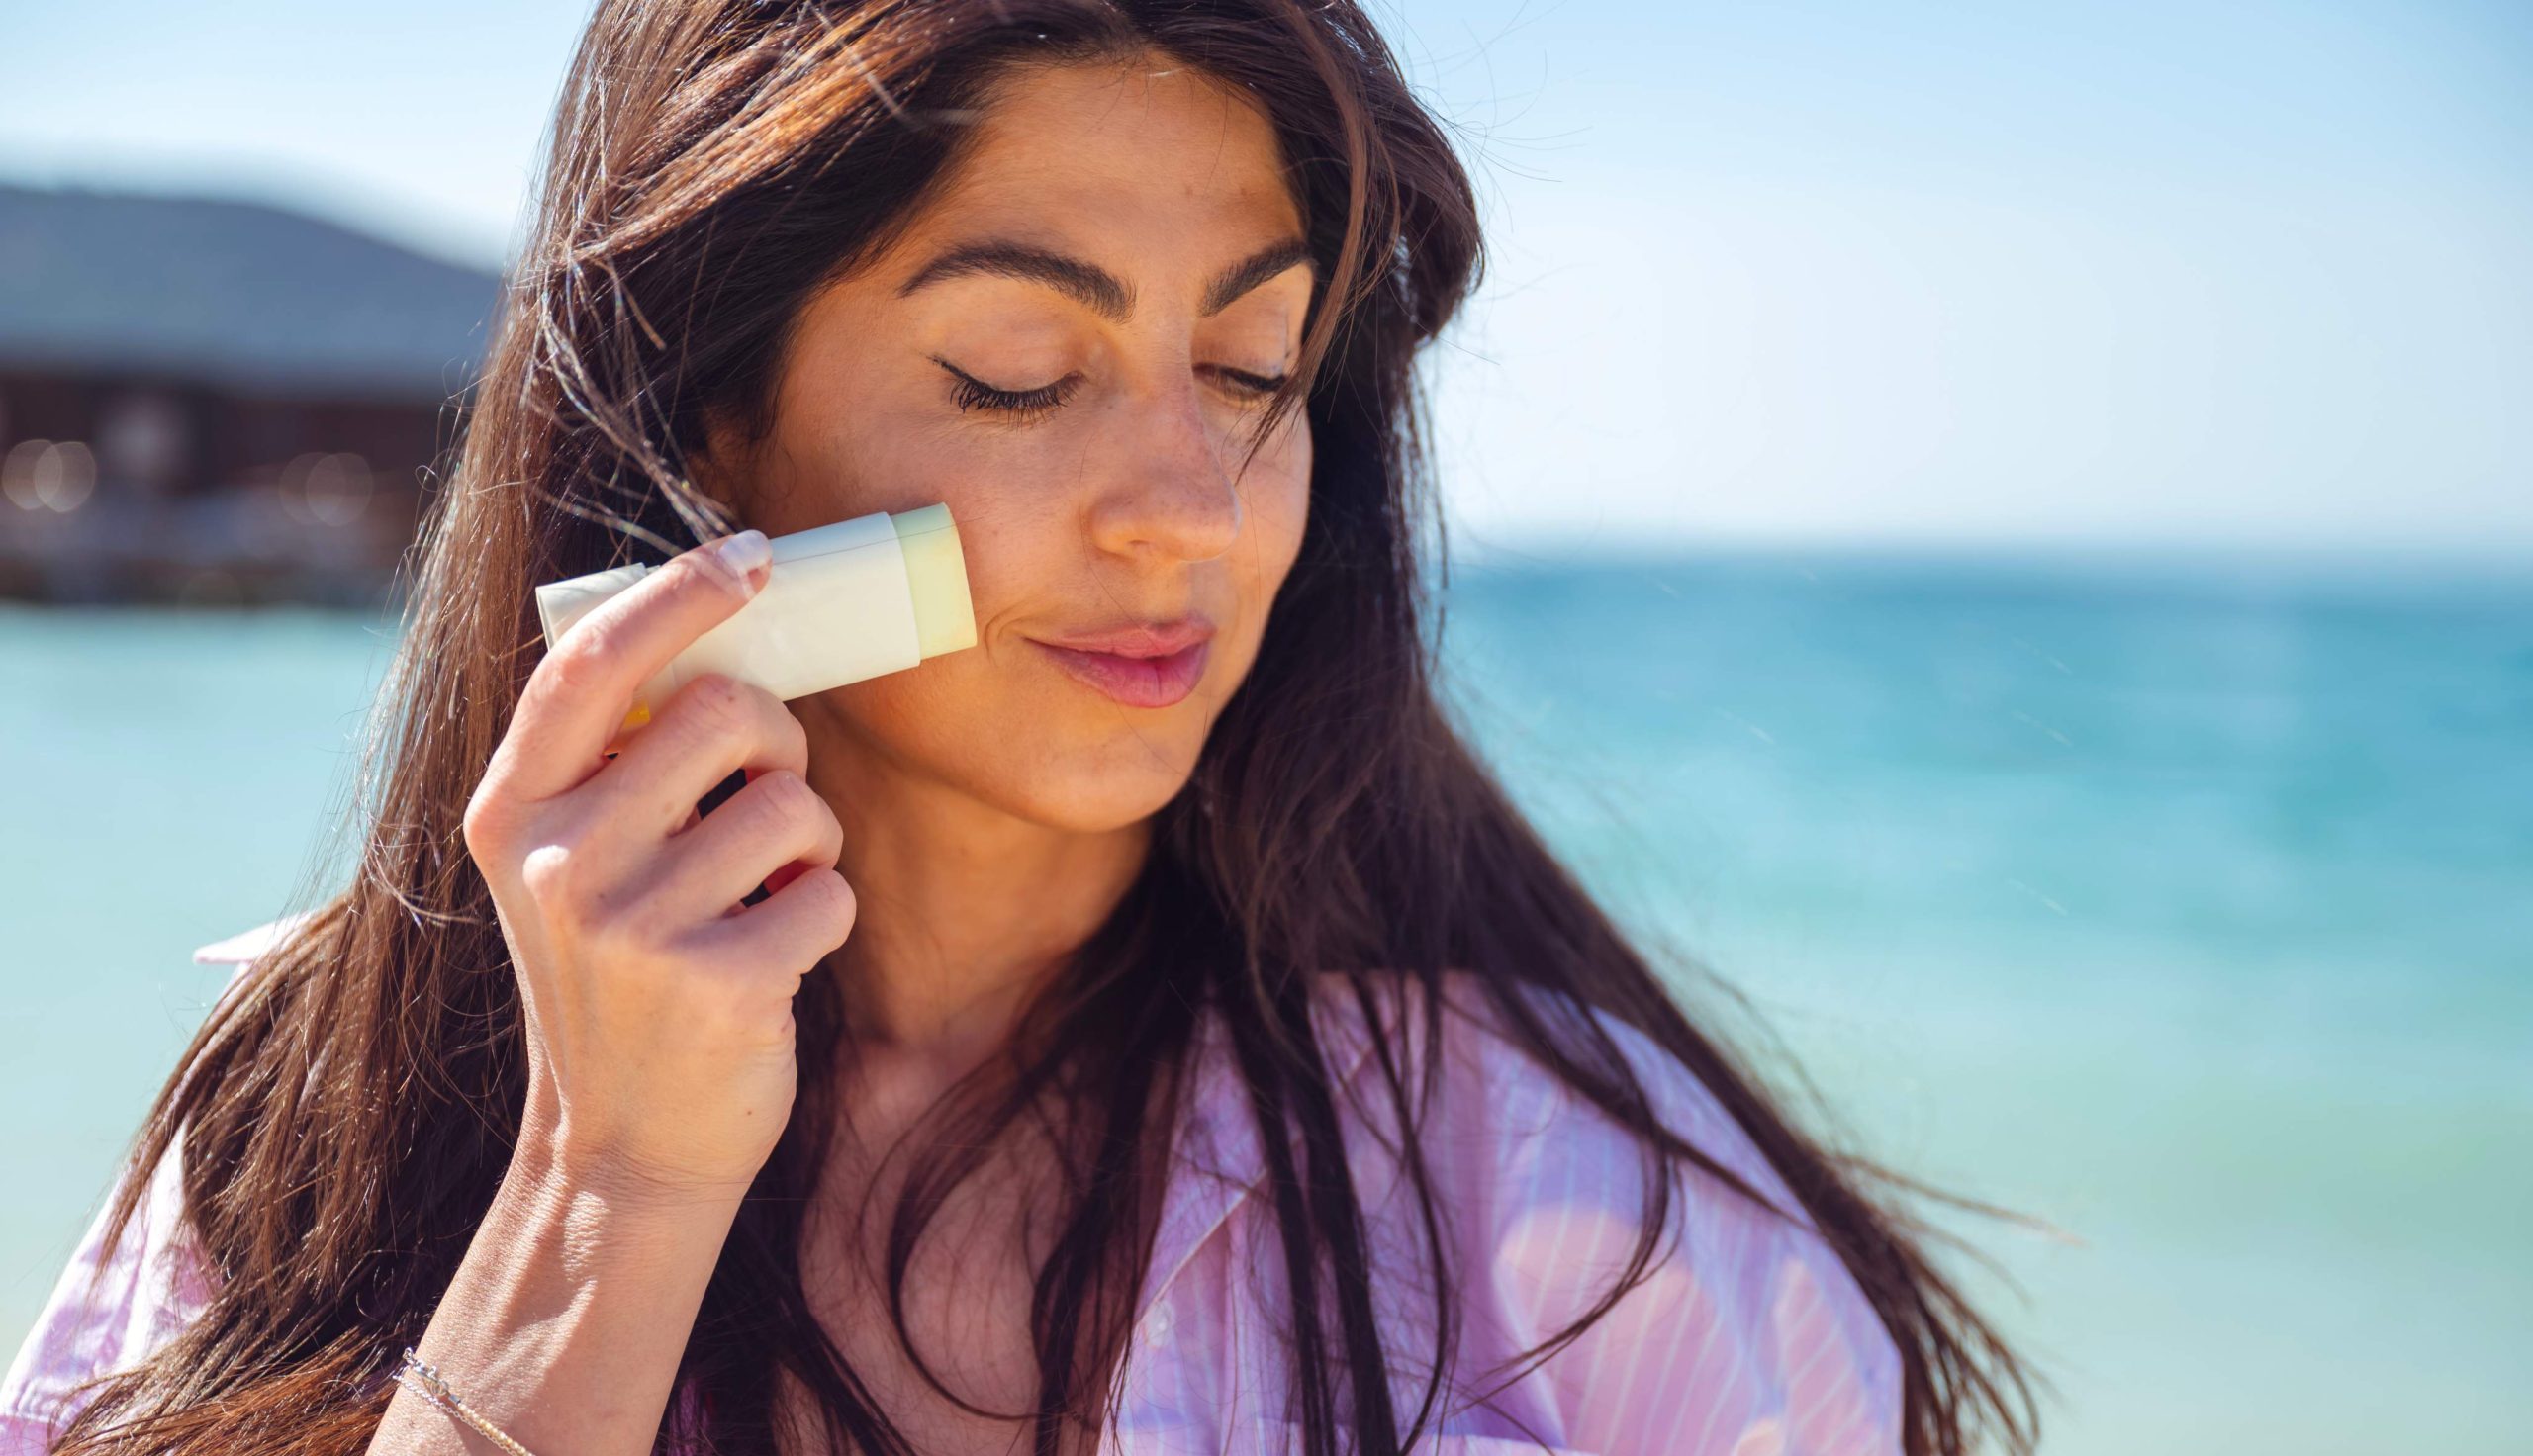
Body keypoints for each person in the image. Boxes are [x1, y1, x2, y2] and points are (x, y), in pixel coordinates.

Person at [0, 2, 2042, 1453]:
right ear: (714, 420)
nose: (1185, 499)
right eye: (1011, 370)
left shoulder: (1601, 1224)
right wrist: (601, 1184)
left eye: (1251, 361)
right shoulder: (299, 1131)